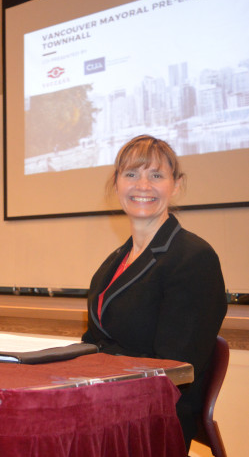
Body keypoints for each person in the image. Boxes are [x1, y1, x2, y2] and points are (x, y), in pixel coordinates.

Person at [81, 135, 226, 450]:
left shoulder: (194, 258)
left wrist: (96, 369)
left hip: (152, 419)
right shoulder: (113, 262)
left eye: (156, 175)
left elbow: (174, 367)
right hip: (104, 404)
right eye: (131, 174)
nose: (142, 185)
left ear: (176, 185)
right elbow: (92, 342)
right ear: (117, 184)